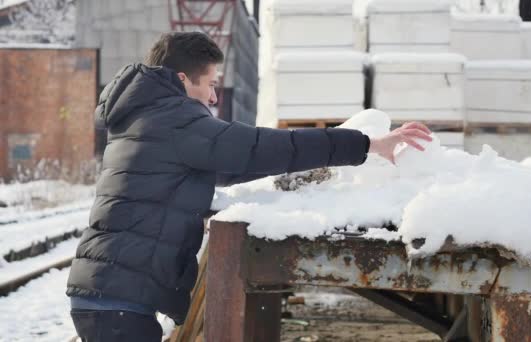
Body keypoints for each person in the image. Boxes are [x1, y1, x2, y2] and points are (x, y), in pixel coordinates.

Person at [66, 31, 432, 341]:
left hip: (108, 293)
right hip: (118, 304)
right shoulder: (177, 122)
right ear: (181, 80)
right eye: (210, 84)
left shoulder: (144, 117)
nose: (213, 97)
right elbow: (262, 147)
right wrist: (365, 145)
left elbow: (233, 166)